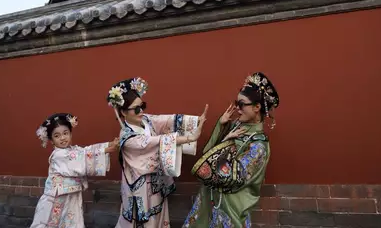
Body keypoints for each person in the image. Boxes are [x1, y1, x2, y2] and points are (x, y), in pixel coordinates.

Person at [106, 77, 208, 228]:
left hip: (156, 184)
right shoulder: (127, 138)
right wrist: (189, 137)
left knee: (159, 216)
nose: (142, 112)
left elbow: (166, 120)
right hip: (140, 190)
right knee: (145, 221)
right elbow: (155, 142)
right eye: (136, 109)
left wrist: (194, 122)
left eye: (142, 106)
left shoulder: (146, 120)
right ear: (123, 112)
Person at [184, 72, 280, 228]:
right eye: (237, 103)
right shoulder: (236, 126)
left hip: (230, 209)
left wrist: (226, 141)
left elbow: (229, 178)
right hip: (211, 202)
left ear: (257, 107)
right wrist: (222, 126)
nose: (237, 108)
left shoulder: (258, 146)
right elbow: (208, 152)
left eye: (241, 104)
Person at [30, 113, 118, 228]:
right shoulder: (58, 155)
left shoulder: (73, 150)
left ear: (71, 133)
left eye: (65, 133)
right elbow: (79, 158)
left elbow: (86, 151)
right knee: (53, 222)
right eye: (57, 136)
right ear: (51, 140)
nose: (62, 138)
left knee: (72, 222)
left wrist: (109, 144)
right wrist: (106, 150)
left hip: (71, 195)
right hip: (58, 197)